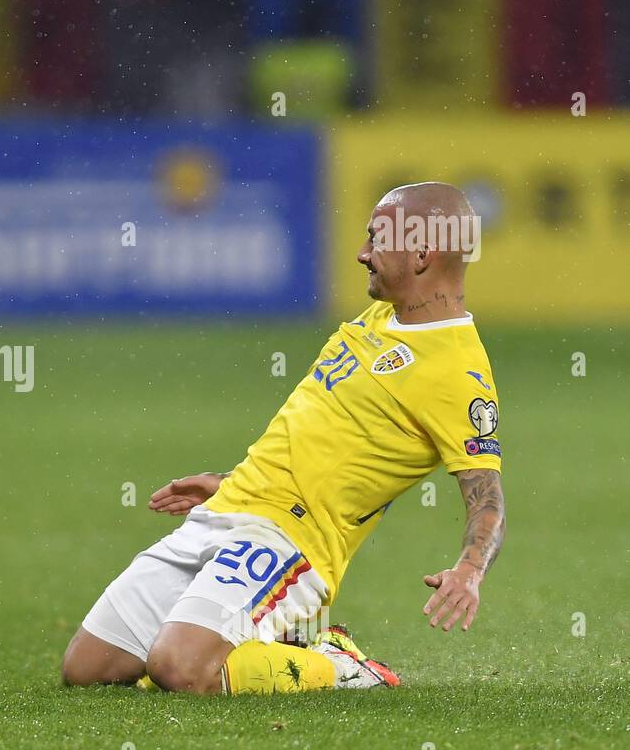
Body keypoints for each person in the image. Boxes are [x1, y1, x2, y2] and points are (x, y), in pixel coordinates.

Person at [62, 182, 506, 694]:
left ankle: (337, 663)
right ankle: (262, 641)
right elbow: (331, 429)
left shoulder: (456, 370)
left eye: (377, 240)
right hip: (231, 505)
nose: (362, 254)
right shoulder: (384, 317)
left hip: (290, 539)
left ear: (422, 253)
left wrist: (469, 570)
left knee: (179, 669)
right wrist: (233, 479)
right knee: (88, 670)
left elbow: (487, 495)